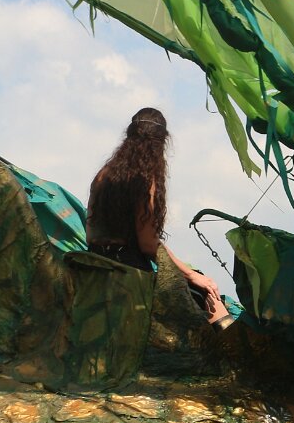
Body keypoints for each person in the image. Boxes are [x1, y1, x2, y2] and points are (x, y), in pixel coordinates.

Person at [86, 107, 230, 324]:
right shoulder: (144, 181)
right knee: (205, 295)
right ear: (160, 142)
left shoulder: (102, 176)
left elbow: (91, 235)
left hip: (95, 261)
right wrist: (192, 275)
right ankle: (234, 342)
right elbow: (148, 245)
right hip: (129, 271)